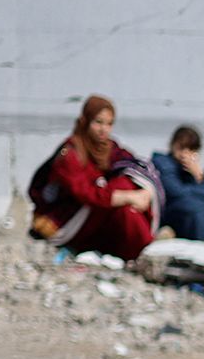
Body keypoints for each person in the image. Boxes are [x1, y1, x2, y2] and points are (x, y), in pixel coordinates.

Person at [28, 95, 158, 261]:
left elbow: (132, 165)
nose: (104, 129)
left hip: (96, 217)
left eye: (109, 124)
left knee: (128, 208)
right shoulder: (71, 154)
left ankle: (144, 250)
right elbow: (85, 193)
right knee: (124, 186)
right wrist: (127, 196)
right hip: (67, 219)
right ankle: (144, 250)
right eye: (98, 122)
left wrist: (144, 193)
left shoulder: (110, 148)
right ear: (85, 121)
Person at [151, 126, 204, 243]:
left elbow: (202, 188)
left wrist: (198, 175)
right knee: (199, 212)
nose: (185, 153)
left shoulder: (189, 167)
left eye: (190, 149)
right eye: (181, 147)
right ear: (172, 145)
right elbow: (177, 192)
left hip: (189, 202)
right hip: (171, 208)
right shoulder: (163, 163)